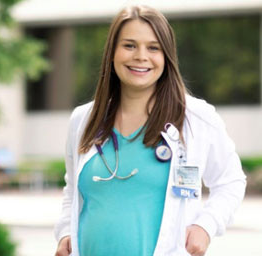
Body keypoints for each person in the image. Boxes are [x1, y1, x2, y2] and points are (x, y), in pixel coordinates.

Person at [54, 5, 246, 256]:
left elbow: (230, 181)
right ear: (112, 53)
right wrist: (66, 232)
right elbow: (72, 191)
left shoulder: (196, 118)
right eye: (129, 45)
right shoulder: (83, 120)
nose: (141, 56)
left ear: (167, 56)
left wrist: (205, 226)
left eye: (153, 47)